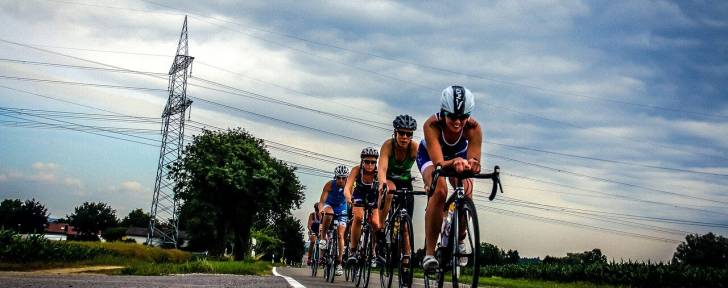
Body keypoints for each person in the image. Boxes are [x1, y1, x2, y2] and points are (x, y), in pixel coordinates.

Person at [417, 85, 483, 271]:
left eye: (463, 117)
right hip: (430, 157)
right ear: (443, 112)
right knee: (439, 190)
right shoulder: (432, 125)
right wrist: (455, 161)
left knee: (467, 190)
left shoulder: (474, 128)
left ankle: (460, 237)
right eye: (452, 116)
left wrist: (473, 164)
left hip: (458, 157)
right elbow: (439, 164)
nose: (458, 121)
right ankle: (429, 253)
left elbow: (473, 159)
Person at [377, 114, 418, 265]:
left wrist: (429, 182)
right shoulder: (388, 145)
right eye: (401, 133)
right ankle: (381, 228)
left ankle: (406, 259)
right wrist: (382, 183)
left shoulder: (414, 148)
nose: (405, 137)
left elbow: (424, 166)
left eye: (409, 134)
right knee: (391, 189)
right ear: (395, 132)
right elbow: (382, 168)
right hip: (389, 180)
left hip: (406, 183)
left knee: (405, 226)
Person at [346, 147, 382, 267]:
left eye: (373, 162)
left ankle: (374, 252)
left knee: (376, 224)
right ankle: (353, 251)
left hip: (373, 196)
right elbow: (347, 187)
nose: (370, 165)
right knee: (358, 217)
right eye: (367, 162)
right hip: (359, 194)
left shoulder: (378, 172)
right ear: (362, 161)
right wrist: (348, 198)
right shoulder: (357, 170)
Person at [318, 165, 350, 276]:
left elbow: (350, 198)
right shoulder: (329, 185)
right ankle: (323, 238)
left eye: (343, 178)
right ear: (335, 177)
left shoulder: (349, 186)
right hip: (329, 205)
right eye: (338, 178)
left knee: (341, 235)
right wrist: (321, 210)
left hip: (342, 208)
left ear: (347, 178)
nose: (340, 180)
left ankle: (339, 262)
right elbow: (322, 201)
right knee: (329, 213)